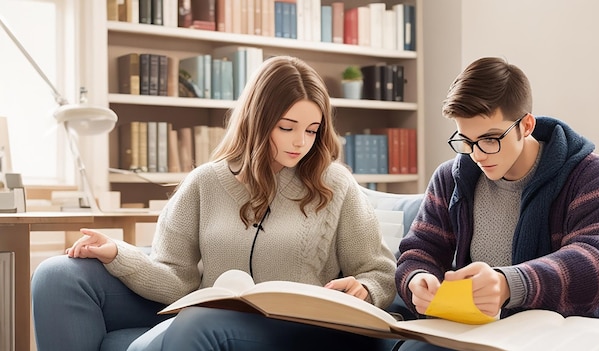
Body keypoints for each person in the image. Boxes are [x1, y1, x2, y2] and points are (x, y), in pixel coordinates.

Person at [31, 55, 398, 351]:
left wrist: (365, 288)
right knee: (55, 275)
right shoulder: (206, 182)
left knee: (198, 321)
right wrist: (116, 253)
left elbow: (380, 272)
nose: (300, 142)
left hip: (299, 329)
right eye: (287, 127)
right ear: (259, 120)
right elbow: (176, 279)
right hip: (210, 312)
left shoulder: (334, 185)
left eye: (312, 130)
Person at [395, 57, 599, 350]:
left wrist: (508, 284)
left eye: (490, 139)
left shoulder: (593, 174)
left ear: (526, 125)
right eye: (466, 140)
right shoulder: (451, 177)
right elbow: (418, 250)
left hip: (570, 334)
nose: (477, 155)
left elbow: (598, 265)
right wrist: (417, 279)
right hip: (477, 333)